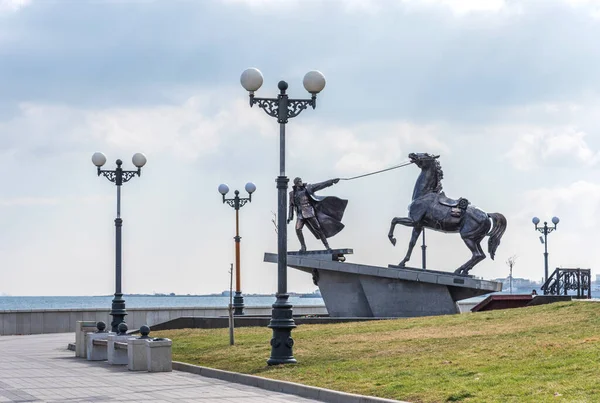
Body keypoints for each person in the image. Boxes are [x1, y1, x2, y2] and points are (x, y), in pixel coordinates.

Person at [287, 177, 348, 252]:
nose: (300, 182)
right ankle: (303, 247)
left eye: (300, 181)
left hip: (309, 212)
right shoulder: (292, 193)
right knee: (298, 229)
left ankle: (327, 246)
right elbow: (291, 206)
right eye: (298, 181)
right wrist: (290, 217)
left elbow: (321, 185)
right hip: (300, 215)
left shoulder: (308, 188)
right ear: (295, 184)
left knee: (318, 229)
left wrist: (332, 181)